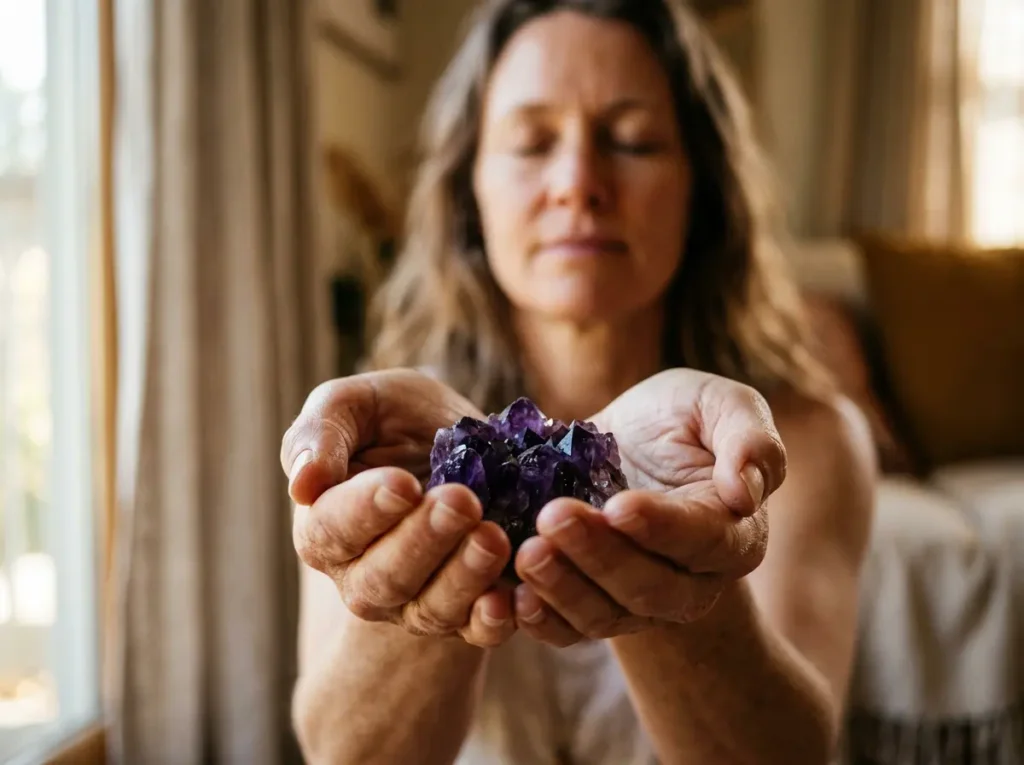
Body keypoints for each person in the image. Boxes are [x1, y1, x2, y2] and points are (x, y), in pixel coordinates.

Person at [280, 0, 877, 763]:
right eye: (532, 143)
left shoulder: (808, 442)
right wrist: (427, 583)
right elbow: (343, 755)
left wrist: (680, 590)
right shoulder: (386, 441)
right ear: (471, 192)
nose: (579, 183)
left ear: (703, 189)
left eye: (632, 140)